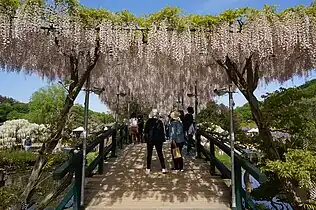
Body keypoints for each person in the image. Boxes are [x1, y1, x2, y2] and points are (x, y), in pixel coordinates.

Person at [144, 109, 166, 174]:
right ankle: (163, 168)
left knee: (149, 154)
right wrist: (163, 140)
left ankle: (148, 168)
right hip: (158, 140)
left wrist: (146, 139)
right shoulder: (160, 122)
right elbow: (162, 132)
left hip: (150, 139)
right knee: (160, 153)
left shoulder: (148, 121)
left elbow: (145, 131)